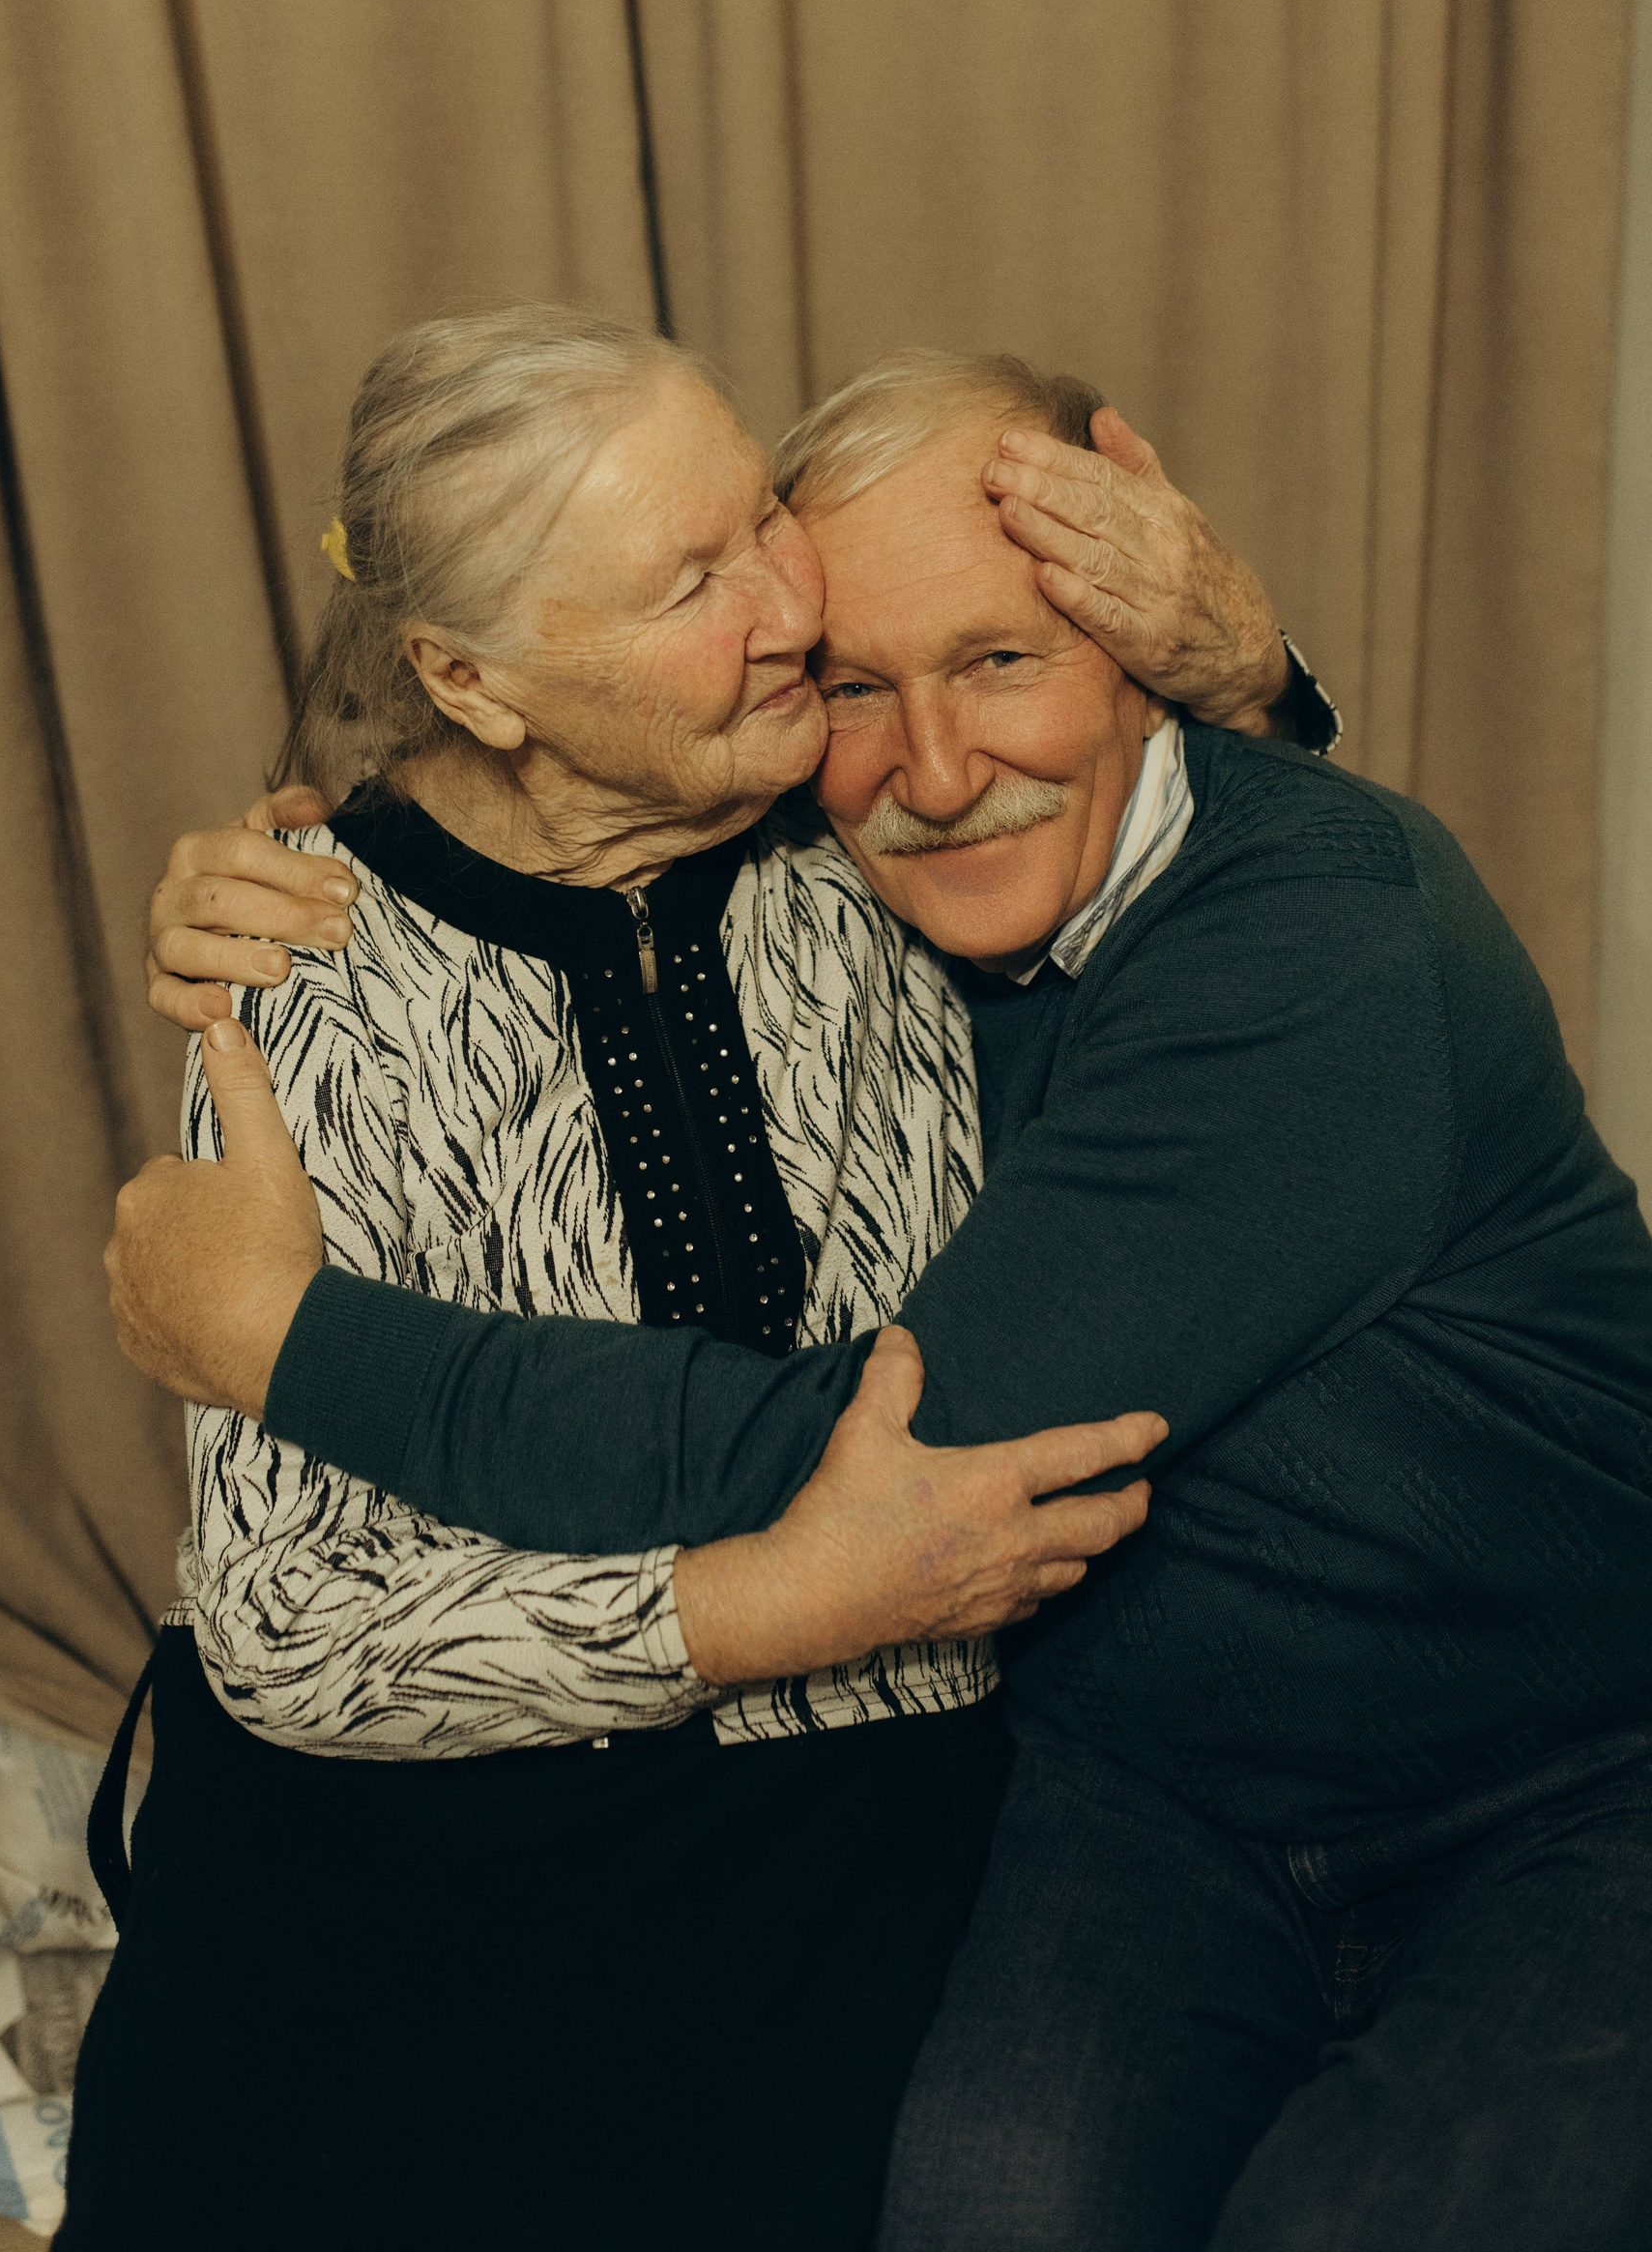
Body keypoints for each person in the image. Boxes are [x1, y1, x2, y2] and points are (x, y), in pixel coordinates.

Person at [115, 346, 1652, 2252]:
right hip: (1128, 1791)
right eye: (846, 676)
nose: (919, 758)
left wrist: (282, 1337)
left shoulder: (1213, 917)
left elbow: (899, 1445)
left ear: (1138, 628)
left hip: (1543, 1778)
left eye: (1000, 657)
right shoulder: (787, 852)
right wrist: (306, 880)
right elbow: (285, 1618)